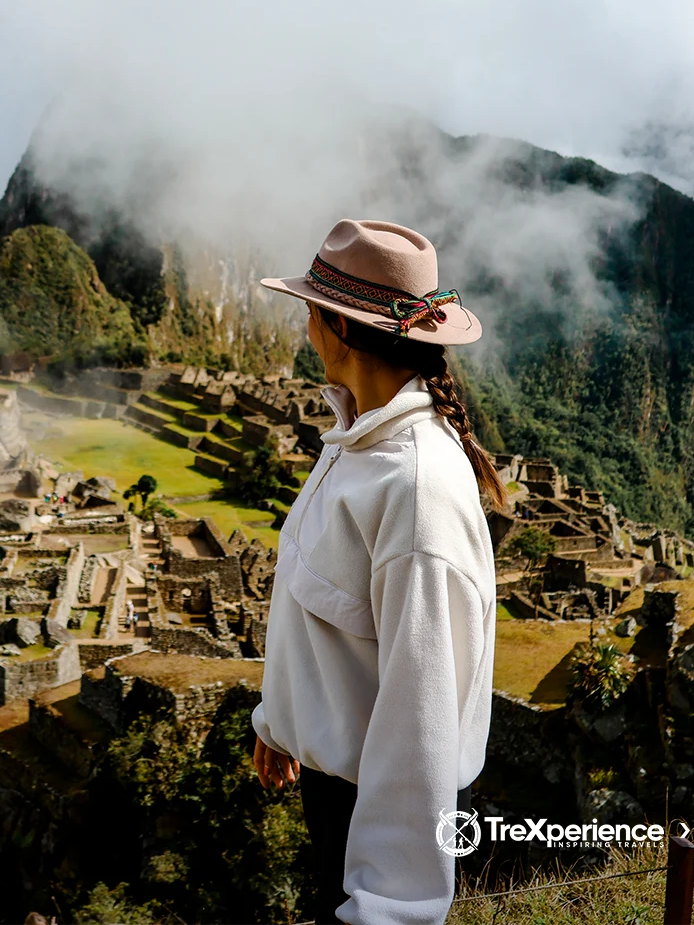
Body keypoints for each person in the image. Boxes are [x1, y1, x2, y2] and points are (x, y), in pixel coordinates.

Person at [250, 220, 502, 925]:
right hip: (335, 787)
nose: (304, 329)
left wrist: (389, 909)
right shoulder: (359, 441)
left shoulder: (415, 488)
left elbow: (419, 717)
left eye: (309, 312)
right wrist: (280, 722)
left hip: (378, 810)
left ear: (340, 327)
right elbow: (321, 600)